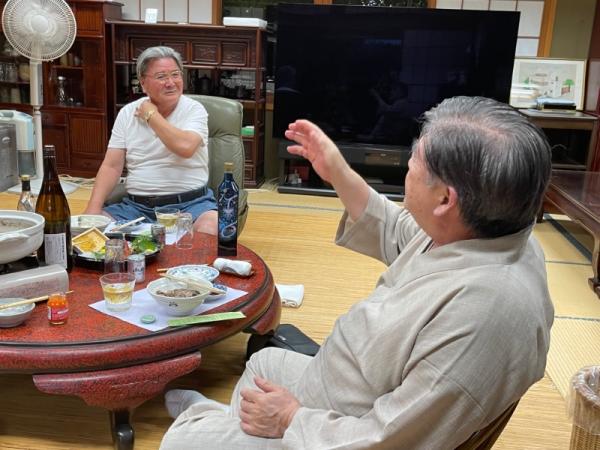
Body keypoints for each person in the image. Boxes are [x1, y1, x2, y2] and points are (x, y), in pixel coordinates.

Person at [159, 96, 554, 449]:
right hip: (348, 381)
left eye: (412, 164)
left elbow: (390, 437)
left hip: (342, 426)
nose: (407, 170)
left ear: (445, 199)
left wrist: (290, 419)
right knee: (264, 365)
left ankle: (205, 423)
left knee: (180, 440)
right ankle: (225, 425)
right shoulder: (487, 230)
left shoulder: (483, 314)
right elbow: (396, 228)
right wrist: (336, 170)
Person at [84, 46, 217, 234]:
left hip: (191, 205)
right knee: (92, 235)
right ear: (143, 83)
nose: (171, 83)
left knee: (209, 229)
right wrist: (93, 210)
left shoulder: (194, 109)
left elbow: (185, 147)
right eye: (161, 76)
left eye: (175, 75)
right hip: (137, 208)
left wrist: (151, 115)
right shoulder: (127, 113)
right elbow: (111, 166)